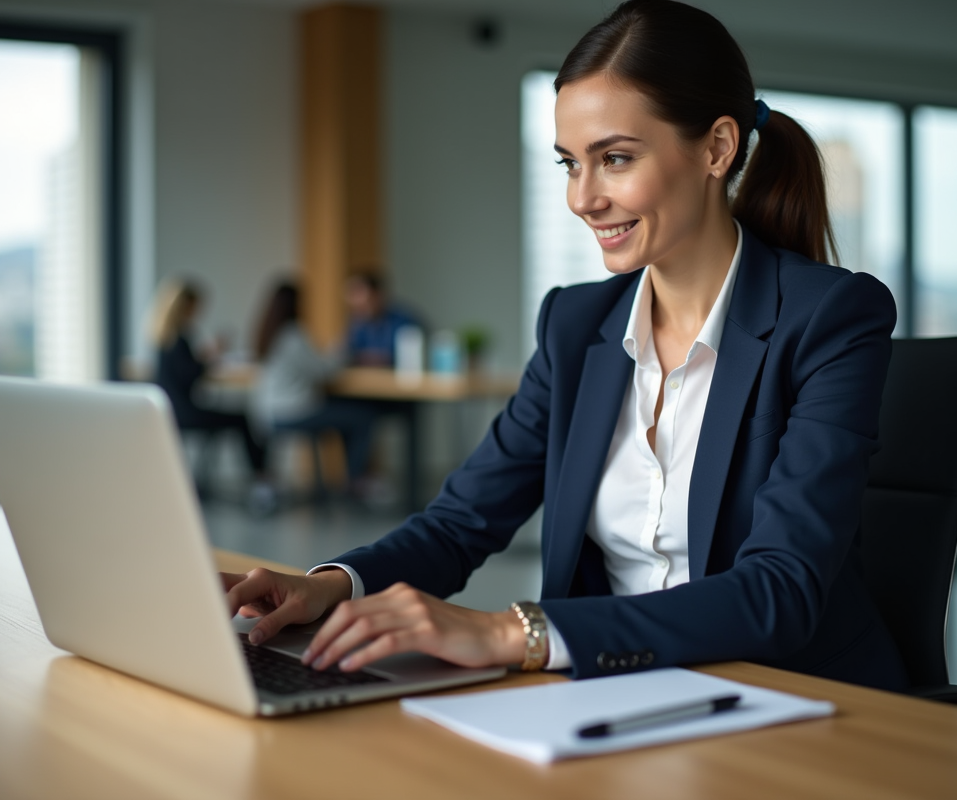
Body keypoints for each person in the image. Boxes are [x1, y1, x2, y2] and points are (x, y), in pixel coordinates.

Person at [222, 0, 909, 691]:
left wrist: (507, 631)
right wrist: (333, 584)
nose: (583, 198)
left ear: (717, 149)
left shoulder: (831, 317)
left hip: (790, 698)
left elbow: (780, 590)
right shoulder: (576, 326)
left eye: (614, 158)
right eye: (569, 164)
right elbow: (463, 520)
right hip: (615, 692)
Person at [249, 281, 375, 506]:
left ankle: (351, 482)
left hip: (266, 413)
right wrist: (341, 350)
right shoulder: (293, 336)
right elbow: (326, 370)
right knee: (361, 417)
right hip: (294, 411)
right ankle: (355, 482)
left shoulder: (266, 335)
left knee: (347, 412)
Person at [150, 278, 268, 496]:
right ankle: (261, 481)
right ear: (185, 307)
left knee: (234, 416)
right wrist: (211, 356)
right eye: (195, 306)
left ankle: (255, 480)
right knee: (241, 418)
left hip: (169, 411)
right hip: (185, 413)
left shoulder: (162, 338)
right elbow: (189, 375)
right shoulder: (179, 339)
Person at [344, 271, 421, 367]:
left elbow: (397, 358)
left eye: (358, 292)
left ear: (377, 295)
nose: (355, 301)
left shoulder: (403, 321)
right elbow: (346, 354)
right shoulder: (358, 323)